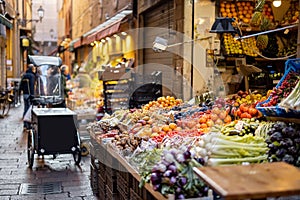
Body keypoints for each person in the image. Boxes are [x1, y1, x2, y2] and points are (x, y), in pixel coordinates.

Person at [19, 64, 36, 130]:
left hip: (25, 94)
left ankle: (25, 124)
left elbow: (21, 85)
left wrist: (20, 91)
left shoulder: (24, 75)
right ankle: (27, 124)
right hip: (29, 94)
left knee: (26, 107)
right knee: (29, 109)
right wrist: (32, 95)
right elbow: (31, 86)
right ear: (32, 69)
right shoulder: (32, 76)